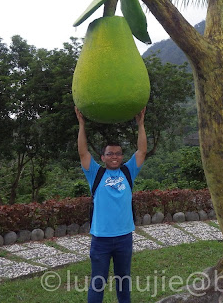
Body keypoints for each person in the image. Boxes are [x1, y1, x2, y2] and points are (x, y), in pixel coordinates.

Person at [75, 106, 147, 303]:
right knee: (98, 283)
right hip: (101, 239)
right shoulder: (96, 174)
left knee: (124, 281)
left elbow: (142, 151)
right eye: (110, 154)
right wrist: (82, 124)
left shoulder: (128, 172)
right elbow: (83, 153)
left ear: (122, 157)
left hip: (124, 237)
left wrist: (140, 124)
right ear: (103, 157)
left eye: (118, 153)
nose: (114, 156)